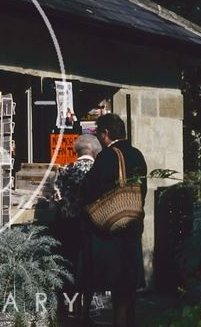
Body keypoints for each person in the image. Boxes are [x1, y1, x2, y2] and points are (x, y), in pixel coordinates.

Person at [80, 113, 147, 327]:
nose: (99, 139)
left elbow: (90, 188)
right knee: (128, 285)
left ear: (106, 133)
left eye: (99, 134)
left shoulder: (107, 156)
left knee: (114, 281)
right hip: (133, 226)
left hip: (111, 231)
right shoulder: (137, 154)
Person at [52, 134, 102, 319]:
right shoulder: (97, 171)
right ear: (96, 151)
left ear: (77, 151)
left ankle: (65, 308)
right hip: (90, 225)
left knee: (67, 266)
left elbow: (56, 198)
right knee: (88, 267)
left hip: (66, 225)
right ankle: (85, 311)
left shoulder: (64, 169)